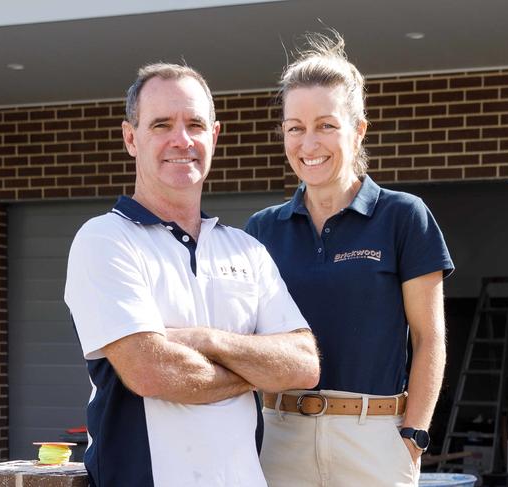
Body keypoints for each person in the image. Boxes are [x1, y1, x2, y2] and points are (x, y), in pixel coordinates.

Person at [64, 62, 320, 487]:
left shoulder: (246, 248)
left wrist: (205, 340)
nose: (181, 140)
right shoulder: (105, 239)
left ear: (214, 136)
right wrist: (255, 372)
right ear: (131, 138)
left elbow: (303, 365)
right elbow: (152, 372)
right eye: (161, 124)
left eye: (195, 124)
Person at [245, 31, 454, 487]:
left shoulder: (403, 216)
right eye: (295, 127)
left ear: (358, 129)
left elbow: (429, 337)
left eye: (326, 125)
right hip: (280, 437)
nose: (308, 142)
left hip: (375, 437)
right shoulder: (261, 230)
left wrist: (413, 435)